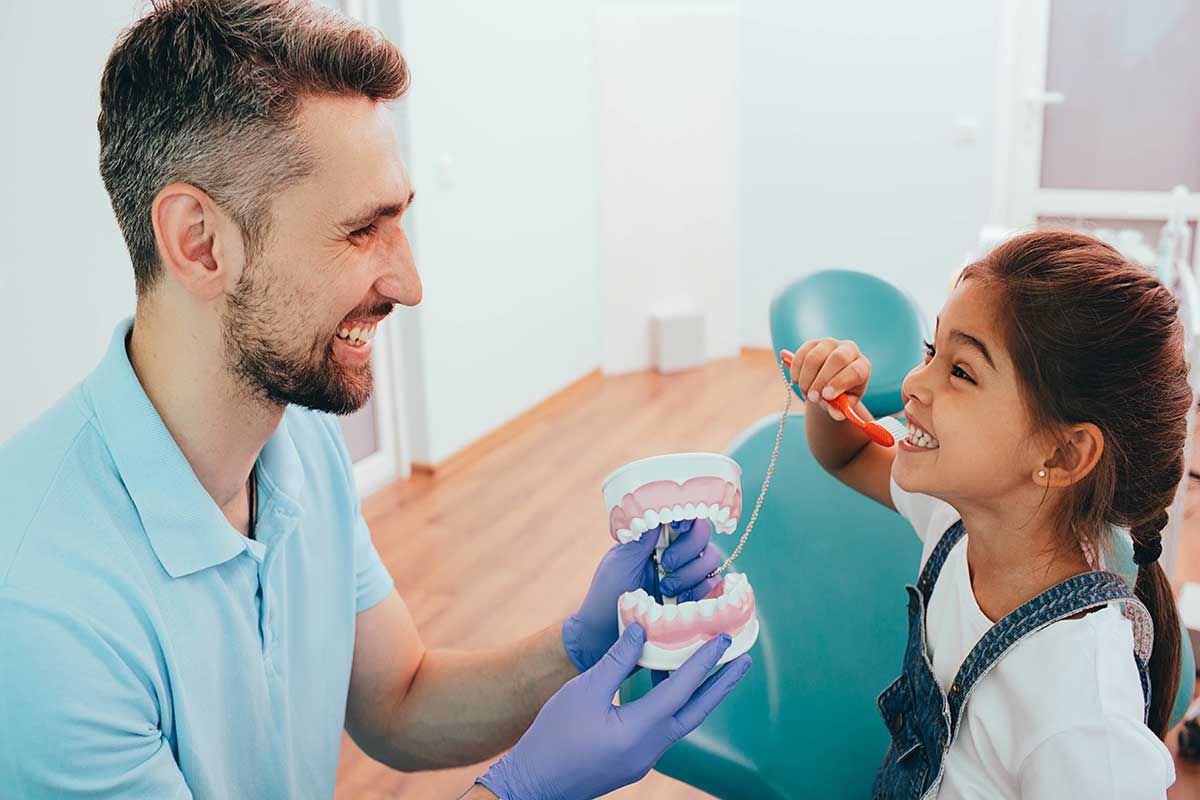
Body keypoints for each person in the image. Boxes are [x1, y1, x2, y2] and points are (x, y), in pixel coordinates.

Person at [0, 2, 750, 797]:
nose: (410, 284)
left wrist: (580, 644)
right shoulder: (43, 609)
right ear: (200, 242)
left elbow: (398, 702)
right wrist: (518, 790)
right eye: (363, 231)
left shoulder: (295, 444)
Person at [787, 229, 1183, 798]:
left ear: (1063, 453)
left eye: (962, 371)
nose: (912, 384)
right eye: (932, 351)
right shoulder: (958, 512)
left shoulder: (1083, 720)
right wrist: (829, 401)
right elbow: (845, 454)